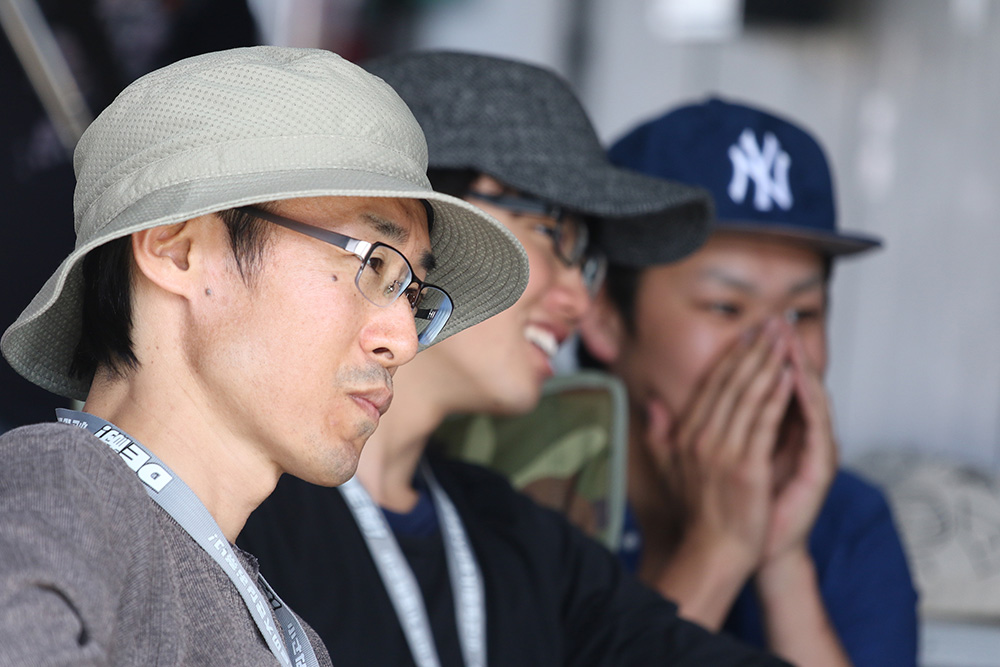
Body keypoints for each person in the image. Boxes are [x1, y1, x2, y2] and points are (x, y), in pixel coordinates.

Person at [239, 52, 788, 666]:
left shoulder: (518, 537)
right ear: (440, 218)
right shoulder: (237, 500)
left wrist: (760, 548)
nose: (579, 299)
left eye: (590, 263)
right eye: (556, 235)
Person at [0, 45, 530, 665]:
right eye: (372, 264)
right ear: (179, 252)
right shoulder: (57, 485)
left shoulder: (287, 634)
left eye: (412, 295)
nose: (404, 341)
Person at [579, 97, 919, 666]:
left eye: (802, 314)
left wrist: (782, 563)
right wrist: (721, 547)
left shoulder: (848, 518)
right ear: (604, 316)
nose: (774, 351)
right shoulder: (523, 492)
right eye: (726, 307)